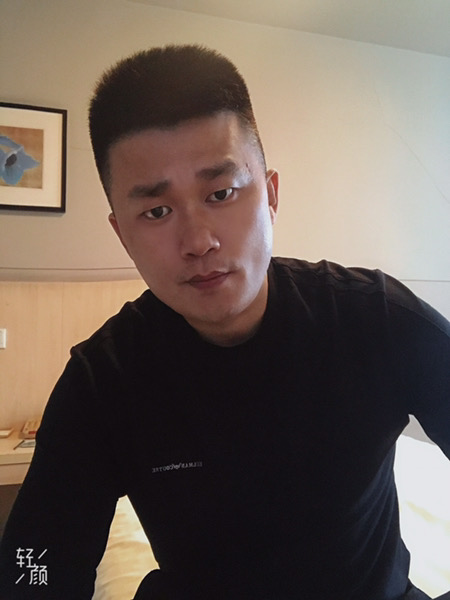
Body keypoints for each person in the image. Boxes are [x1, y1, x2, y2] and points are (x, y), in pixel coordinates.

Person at [0, 44, 449, 600]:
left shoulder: (374, 319)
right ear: (122, 234)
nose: (199, 241)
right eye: (157, 211)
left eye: (221, 193)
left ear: (271, 196)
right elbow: (34, 563)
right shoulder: (104, 381)